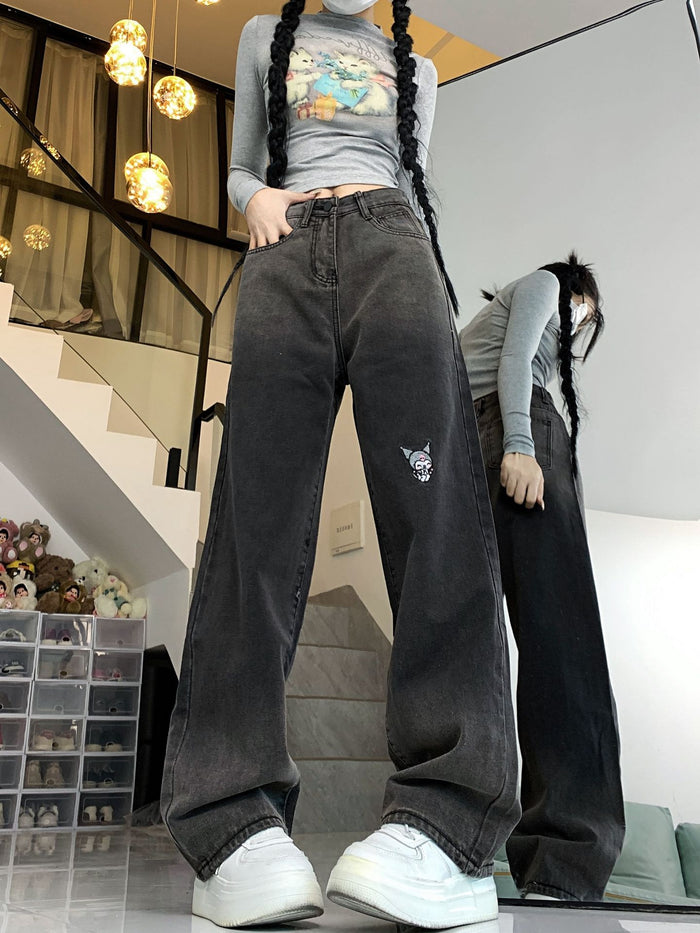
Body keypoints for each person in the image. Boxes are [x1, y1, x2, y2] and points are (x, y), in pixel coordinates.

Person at [161, 1, 521, 928]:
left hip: (394, 249)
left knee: (436, 516)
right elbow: (242, 166)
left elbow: (413, 179)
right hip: (282, 253)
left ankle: (448, 826)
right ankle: (231, 822)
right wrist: (253, 198)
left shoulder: (420, 69)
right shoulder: (260, 37)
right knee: (255, 525)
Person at [459, 253, 626, 901]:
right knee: (559, 645)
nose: (580, 324)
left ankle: (505, 849)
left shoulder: (523, 318)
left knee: (491, 644)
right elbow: (516, 359)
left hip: (484, 435)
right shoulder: (546, 284)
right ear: (575, 289)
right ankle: (558, 854)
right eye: (584, 312)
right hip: (508, 430)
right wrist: (521, 446)